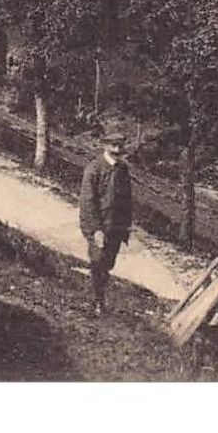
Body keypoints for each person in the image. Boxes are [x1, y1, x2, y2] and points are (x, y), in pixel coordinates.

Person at [78, 130, 134, 317]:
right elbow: (87, 202)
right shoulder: (94, 169)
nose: (117, 149)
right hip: (100, 228)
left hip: (116, 228)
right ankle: (96, 303)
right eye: (113, 145)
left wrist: (126, 227)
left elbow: (127, 200)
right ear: (105, 145)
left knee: (108, 264)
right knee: (97, 263)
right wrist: (95, 230)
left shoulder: (123, 169)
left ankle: (99, 301)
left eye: (120, 146)